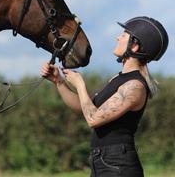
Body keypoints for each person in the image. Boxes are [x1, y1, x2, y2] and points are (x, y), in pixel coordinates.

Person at [40, 16, 169, 177]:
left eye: (124, 35)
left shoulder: (135, 86)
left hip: (117, 164)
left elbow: (93, 119)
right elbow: (85, 109)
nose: (118, 37)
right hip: (102, 161)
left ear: (134, 46)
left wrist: (80, 85)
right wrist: (59, 82)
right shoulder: (117, 79)